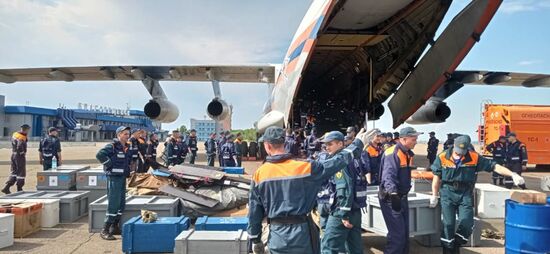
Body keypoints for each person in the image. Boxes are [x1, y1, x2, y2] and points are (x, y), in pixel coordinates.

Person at [247, 126, 374, 254]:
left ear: (267, 146)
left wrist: (255, 239)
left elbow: (254, 212)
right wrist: (357, 144)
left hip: (278, 235)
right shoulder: (305, 167)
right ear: (284, 143)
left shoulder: (259, 175)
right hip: (302, 234)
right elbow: (336, 162)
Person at [430, 135, 525, 253]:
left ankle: (457, 243)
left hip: (465, 193)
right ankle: (448, 249)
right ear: (453, 146)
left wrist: (512, 174)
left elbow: (494, 166)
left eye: (463, 152)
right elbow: (436, 177)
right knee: (448, 224)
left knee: (467, 223)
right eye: (458, 152)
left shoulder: (474, 157)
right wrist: (434, 195)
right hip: (447, 192)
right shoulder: (442, 157)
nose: (460, 154)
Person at [378, 127, 422, 254]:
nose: (416, 142)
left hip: (401, 197)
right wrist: (393, 194)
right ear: (403, 139)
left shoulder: (406, 153)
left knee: (404, 235)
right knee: (397, 237)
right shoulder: (393, 153)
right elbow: (388, 176)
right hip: (392, 199)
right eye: (413, 139)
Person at [321, 132, 367, 254]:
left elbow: (344, 188)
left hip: (342, 212)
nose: (327, 147)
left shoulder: (340, 163)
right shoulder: (351, 158)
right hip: (355, 211)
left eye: (330, 144)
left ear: (340, 144)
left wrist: (343, 214)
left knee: (328, 247)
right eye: (326, 145)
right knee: (354, 247)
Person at [95, 126, 132, 240]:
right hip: (114, 178)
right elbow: (99, 155)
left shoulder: (126, 147)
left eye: (128, 134)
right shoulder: (112, 146)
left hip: (122, 178)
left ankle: (114, 227)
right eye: (125, 134)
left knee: (121, 203)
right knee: (113, 203)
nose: (127, 136)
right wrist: (109, 163)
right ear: (119, 134)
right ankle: (105, 230)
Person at [2, 124, 30, 194]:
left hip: (13, 154)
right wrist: (22, 153)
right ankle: (19, 188)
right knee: (21, 172)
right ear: (26, 129)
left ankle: (7, 187)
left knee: (14, 172)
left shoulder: (15, 134)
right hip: (19, 156)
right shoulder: (21, 137)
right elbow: (19, 146)